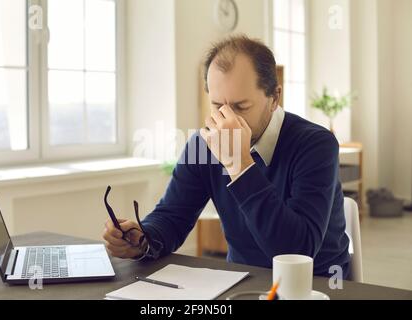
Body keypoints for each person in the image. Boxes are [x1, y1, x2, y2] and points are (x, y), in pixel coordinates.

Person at [102, 35, 350, 278]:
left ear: (274, 98)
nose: (227, 120)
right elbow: (172, 217)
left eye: (241, 107)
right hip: (243, 280)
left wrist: (240, 165)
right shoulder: (203, 145)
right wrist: (142, 239)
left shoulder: (315, 144)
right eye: (217, 105)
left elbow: (297, 252)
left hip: (317, 283)